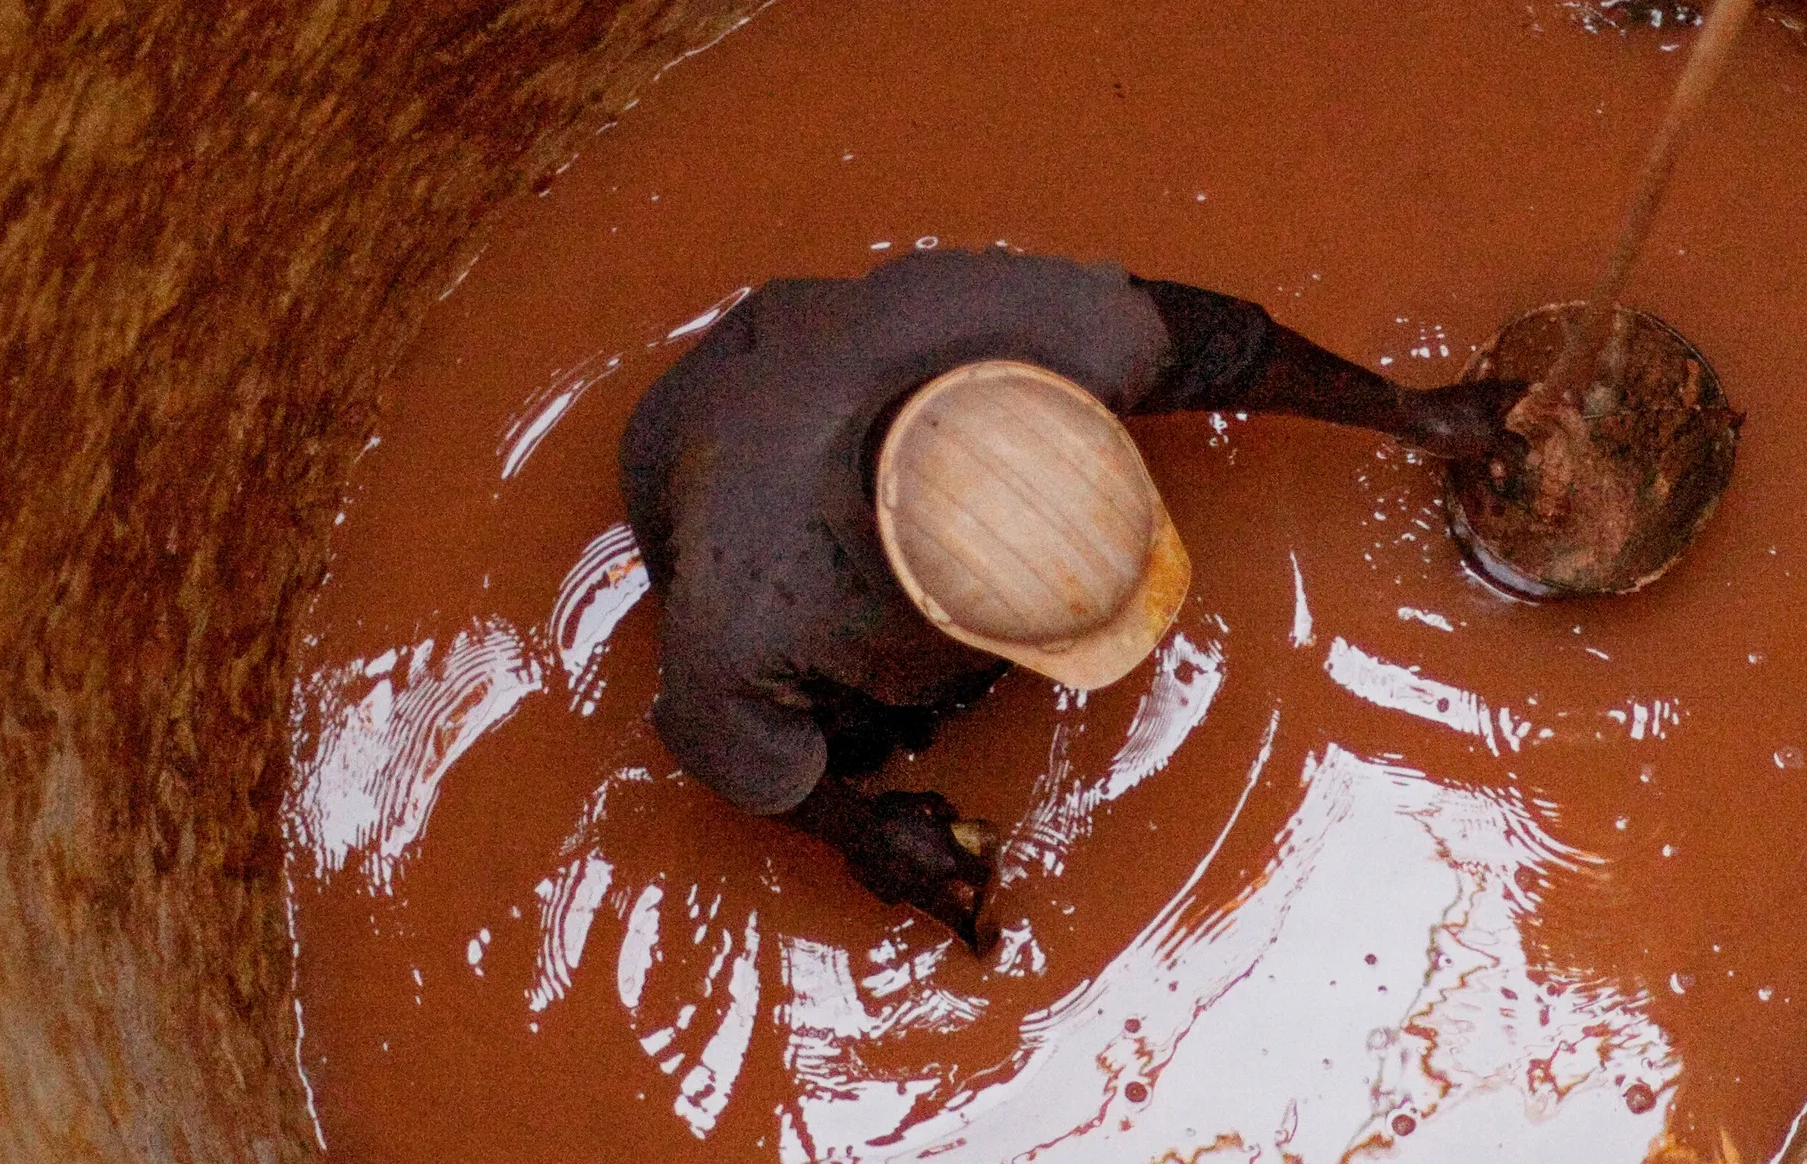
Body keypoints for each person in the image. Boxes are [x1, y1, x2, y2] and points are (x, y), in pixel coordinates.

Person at [619, 247, 1515, 949]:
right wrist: (864, 835)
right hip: (697, 448)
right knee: (864, 740)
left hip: (812, 343)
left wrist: (1416, 416)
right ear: (927, 613)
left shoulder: (1063, 331)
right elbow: (711, 736)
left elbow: (1229, 347)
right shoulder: (752, 609)